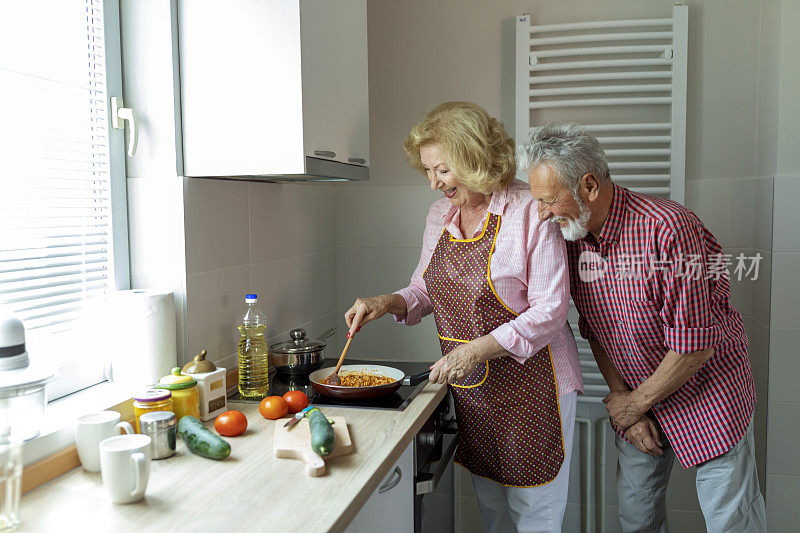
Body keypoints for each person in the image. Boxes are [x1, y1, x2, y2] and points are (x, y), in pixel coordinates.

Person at [343, 102, 583, 532]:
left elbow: (550, 311)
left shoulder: (529, 208)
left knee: (536, 516)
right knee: (491, 509)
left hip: (535, 388)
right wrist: (386, 301)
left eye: (442, 171)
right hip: (475, 387)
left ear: (474, 160)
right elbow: (423, 290)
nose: (433, 184)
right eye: (428, 172)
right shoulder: (441, 215)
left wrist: (478, 349)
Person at [523, 123, 767, 533]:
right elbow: (596, 330)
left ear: (589, 185)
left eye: (549, 201)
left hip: (708, 393)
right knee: (637, 517)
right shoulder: (571, 238)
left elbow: (694, 348)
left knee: (731, 521)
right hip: (637, 395)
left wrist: (632, 405)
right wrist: (626, 404)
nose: (543, 214)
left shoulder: (669, 229)